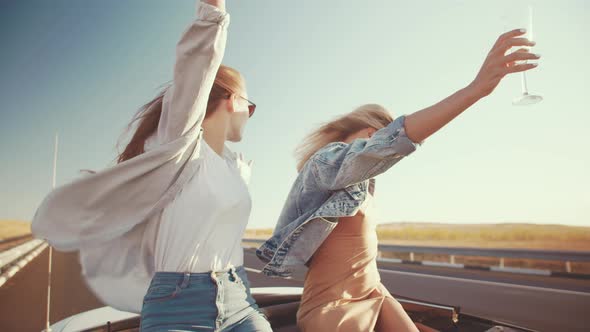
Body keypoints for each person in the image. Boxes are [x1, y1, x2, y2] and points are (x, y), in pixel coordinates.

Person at [256, 28, 539, 331]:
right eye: (373, 133)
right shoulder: (324, 163)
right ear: (356, 129)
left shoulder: (363, 185)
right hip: (332, 309)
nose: (376, 142)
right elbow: (389, 144)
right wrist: (476, 89)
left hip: (375, 294)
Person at [32, 1, 272, 331]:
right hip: (179, 307)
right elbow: (196, 65)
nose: (250, 114)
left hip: (238, 300)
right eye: (250, 105)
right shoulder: (181, 148)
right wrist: (213, 13)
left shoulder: (234, 169)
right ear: (233, 100)